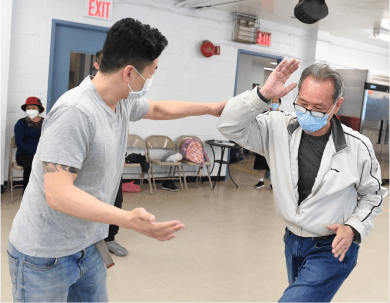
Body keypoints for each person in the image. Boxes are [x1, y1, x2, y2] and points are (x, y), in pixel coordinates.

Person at [7, 18, 227, 302]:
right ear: (129, 73)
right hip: (45, 256)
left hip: (89, 246)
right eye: (152, 72)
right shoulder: (75, 112)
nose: (151, 80)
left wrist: (211, 108)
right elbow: (58, 194)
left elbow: (159, 109)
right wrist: (128, 220)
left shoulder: (120, 100)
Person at [217, 59, 388, 303]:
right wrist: (263, 95)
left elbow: (373, 194)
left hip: (333, 248)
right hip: (292, 241)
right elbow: (228, 125)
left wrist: (353, 228)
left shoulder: (358, 146)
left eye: (318, 107)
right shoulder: (277, 127)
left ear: (336, 105)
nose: (308, 112)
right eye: (303, 103)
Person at [94, 48, 128, 257]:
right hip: (93, 167)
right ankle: (91, 242)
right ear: (97, 66)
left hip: (114, 167)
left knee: (116, 202)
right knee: (93, 204)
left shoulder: (122, 102)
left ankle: (110, 239)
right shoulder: (81, 104)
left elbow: (157, 109)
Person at [14, 97, 45, 195]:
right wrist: (33, 153)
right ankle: (27, 193)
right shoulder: (21, 123)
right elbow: (19, 142)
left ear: (39, 109)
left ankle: (44, 192)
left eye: (33, 107)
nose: (30, 110)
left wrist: (40, 153)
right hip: (24, 154)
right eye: (28, 108)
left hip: (41, 153)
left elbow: (49, 139)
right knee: (31, 164)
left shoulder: (46, 122)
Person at [253, 97, 281, 189]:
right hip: (263, 141)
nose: (274, 104)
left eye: (276, 102)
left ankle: (273, 183)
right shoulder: (264, 114)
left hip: (275, 142)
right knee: (261, 161)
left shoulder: (282, 115)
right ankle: (261, 181)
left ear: (279, 104)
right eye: (272, 102)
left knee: (273, 163)